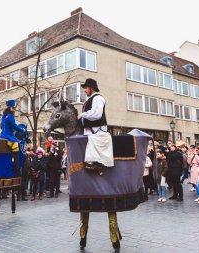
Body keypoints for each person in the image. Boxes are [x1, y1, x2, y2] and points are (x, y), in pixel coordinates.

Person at [77, 78, 120, 251]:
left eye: (85, 88)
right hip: (89, 133)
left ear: (91, 87)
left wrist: (82, 115)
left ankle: (97, 165)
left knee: (97, 146)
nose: (84, 90)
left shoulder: (98, 99)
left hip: (98, 133)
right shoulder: (88, 100)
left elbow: (95, 115)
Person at [0, 100, 26, 178]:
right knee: (16, 148)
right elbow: (14, 125)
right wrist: (22, 129)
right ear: (9, 108)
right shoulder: (10, 116)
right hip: (9, 137)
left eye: (14, 108)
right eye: (13, 108)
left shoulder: (3, 116)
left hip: (2, 136)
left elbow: (1, 126)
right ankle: (17, 169)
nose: (14, 109)